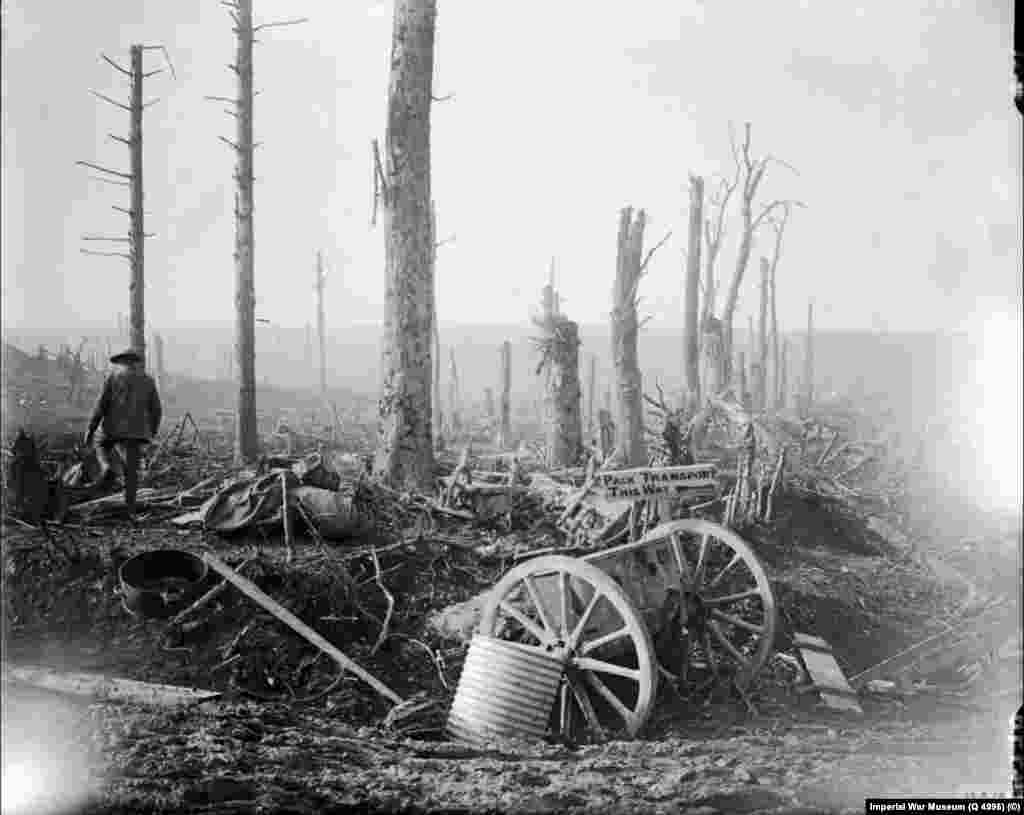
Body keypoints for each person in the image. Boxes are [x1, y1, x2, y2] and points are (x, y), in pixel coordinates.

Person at [85, 348, 162, 515]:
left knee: (99, 442)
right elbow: (156, 410)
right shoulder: (148, 380)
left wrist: (90, 429)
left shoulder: (113, 377)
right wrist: (152, 432)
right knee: (131, 472)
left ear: (122, 362)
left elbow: (100, 406)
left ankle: (106, 466)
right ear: (135, 362)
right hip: (138, 433)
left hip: (113, 429)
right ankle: (130, 509)